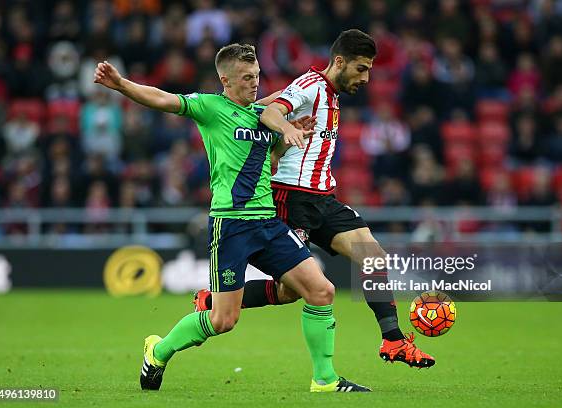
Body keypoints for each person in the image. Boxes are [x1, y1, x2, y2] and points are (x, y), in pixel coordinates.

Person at [94, 43, 370, 392]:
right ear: (225, 79)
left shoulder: (261, 114)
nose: (254, 83)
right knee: (224, 320)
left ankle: (325, 380)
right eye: (246, 77)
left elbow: (268, 161)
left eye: (256, 76)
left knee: (320, 290)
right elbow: (162, 99)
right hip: (231, 225)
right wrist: (121, 84)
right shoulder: (210, 107)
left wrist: (289, 134)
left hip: (268, 222)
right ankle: (158, 350)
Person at [195, 30, 435, 368]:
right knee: (292, 290)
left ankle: (393, 341)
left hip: (324, 197)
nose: (365, 78)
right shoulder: (310, 85)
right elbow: (270, 112)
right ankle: (211, 300)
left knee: (374, 257)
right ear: (339, 62)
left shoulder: (332, 95)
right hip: (291, 198)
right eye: (361, 69)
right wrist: (287, 129)